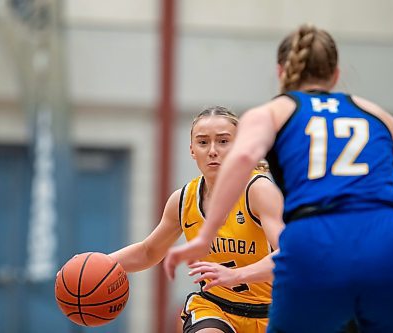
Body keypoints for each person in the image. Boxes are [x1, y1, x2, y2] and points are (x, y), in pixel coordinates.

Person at [164, 24, 393, 333]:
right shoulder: (375, 113)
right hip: (392, 243)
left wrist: (207, 235)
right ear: (336, 73)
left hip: (317, 240)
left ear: (281, 72)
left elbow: (244, 159)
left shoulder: (273, 112)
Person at [109, 106, 284, 333]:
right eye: (203, 142)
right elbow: (149, 251)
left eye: (223, 142)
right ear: (192, 150)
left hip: (273, 310)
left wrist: (236, 275)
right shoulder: (183, 200)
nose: (212, 150)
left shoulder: (258, 190)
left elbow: (289, 254)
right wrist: (100, 263)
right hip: (215, 307)